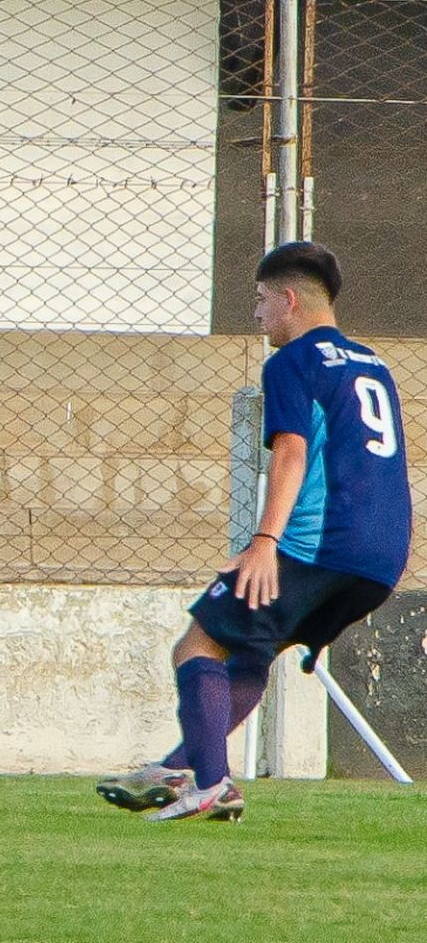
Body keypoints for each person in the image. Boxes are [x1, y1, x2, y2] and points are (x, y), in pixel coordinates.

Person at [97, 241, 411, 821]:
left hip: (318, 546)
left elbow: (291, 451)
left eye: (262, 300)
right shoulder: (373, 362)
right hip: (381, 557)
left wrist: (264, 542)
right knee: (247, 654)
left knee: (197, 644)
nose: (258, 313)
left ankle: (211, 784)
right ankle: (180, 768)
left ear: (290, 300)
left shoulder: (291, 362)